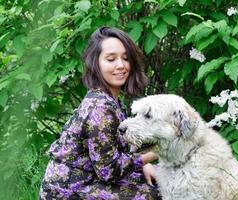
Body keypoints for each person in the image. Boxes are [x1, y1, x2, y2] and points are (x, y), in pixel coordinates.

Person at [39, 26, 161, 200]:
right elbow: (109, 172)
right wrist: (157, 152)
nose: (121, 65)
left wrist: (144, 166)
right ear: (95, 63)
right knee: (155, 195)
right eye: (111, 59)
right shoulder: (100, 107)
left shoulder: (109, 98)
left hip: (90, 179)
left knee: (159, 183)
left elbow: (120, 148)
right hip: (68, 191)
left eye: (126, 58)